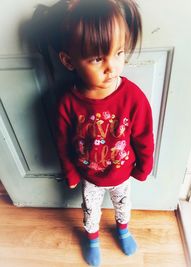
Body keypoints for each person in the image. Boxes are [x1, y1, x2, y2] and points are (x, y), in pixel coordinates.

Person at [34, 0, 154, 266]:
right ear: (69, 61)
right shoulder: (68, 103)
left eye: (119, 52)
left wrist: (144, 166)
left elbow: (144, 134)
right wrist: (71, 172)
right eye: (98, 58)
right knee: (90, 210)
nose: (112, 66)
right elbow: (63, 141)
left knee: (123, 206)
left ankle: (122, 231)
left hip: (123, 173)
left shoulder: (133, 97)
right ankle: (92, 238)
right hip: (90, 177)